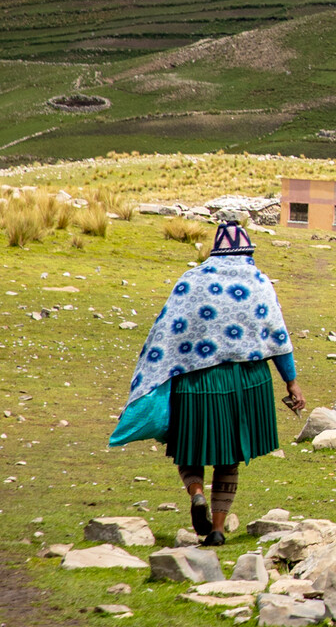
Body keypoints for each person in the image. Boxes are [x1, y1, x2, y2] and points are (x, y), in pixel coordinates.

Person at [110, 219, 303, 546]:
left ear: (215, 252)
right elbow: (278, 337)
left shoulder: (191, 281)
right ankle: (217, 529)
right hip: (246, 382)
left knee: (190, 446)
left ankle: (196, 491)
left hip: (197, 380)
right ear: (246, 251)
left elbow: (166, 332)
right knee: (229, 456)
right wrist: (291, 382)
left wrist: (157, 377)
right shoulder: (258, 282)